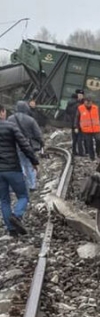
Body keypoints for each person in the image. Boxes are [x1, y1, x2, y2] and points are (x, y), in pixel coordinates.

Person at [0, 104, 39, 236]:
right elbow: (24, 145)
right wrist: (34, 161)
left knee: (4, 200)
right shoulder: (10, 126)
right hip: (12, 168)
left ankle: (11, 230)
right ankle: (17, 215)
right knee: (23, 195)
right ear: (2, 112)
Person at [8, 101, 43, 191]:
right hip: (27, 145)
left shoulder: (10, 119)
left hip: (14, 144)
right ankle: (32, 185)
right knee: (29, 164)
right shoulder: (30, 120)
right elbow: (38, 134)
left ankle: (18, 184)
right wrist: (41, 143)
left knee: (17, 164)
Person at [64, 90, 85, 156]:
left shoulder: (72, 102)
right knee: (78, 138)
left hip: (78, 123)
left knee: (76, 139)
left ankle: (75, 151)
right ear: (77, 95)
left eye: (81, 95)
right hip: (76, 123)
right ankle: (79, 152)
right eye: (79, 95)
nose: (80, 96)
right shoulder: (77, 104)